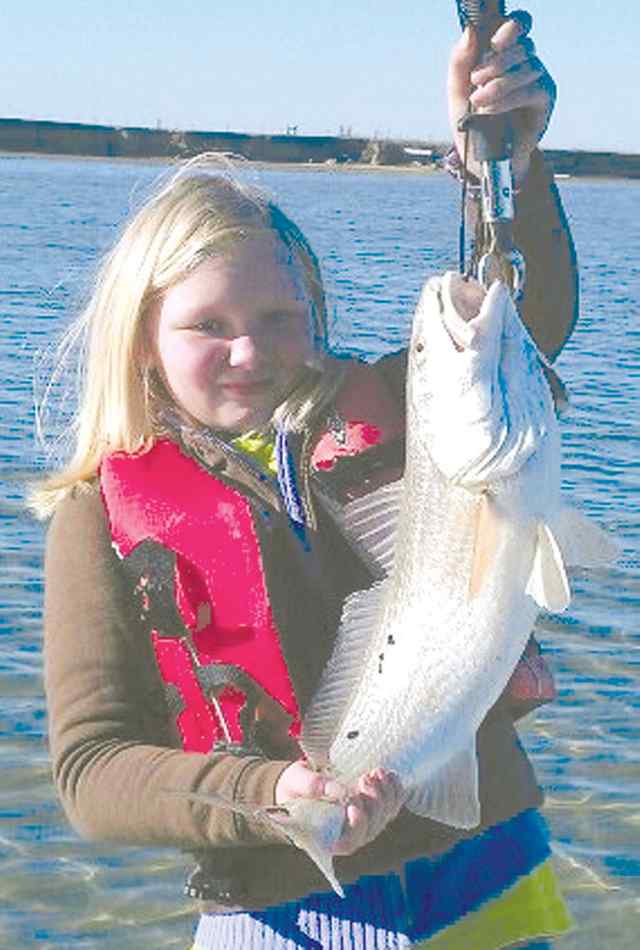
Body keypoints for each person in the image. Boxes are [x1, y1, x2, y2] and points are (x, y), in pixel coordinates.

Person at [34, 13, 578, 950]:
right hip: (284, 913)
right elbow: (92, 768)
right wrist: (275, 792)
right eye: (208, 326)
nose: (251, 352)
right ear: (142, 341)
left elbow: (526, 319)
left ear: (316, 313)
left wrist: (509, 163)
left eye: (281, 317)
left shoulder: (415, 415)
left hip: (491, 869)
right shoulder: (96, 519)